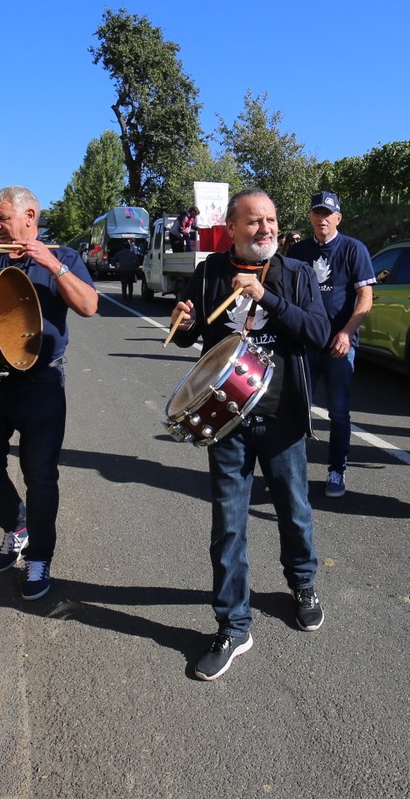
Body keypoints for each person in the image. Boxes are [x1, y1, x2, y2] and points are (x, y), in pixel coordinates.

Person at [171, 189, 330, 680]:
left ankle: (302, 584)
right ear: (232, 229)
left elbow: (318, 333)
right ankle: (234, 626)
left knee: (294, 510)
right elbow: (193, 336)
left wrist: (267, 298)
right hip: (226, 419)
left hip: (282, 415)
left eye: (272, 220)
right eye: (255, 222)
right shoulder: (209, 273)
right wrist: (182, 322)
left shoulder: (297, 273)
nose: (266, 229)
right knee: (228, 526)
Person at [0, 186, 99, 601]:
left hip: (41, 384)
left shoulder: (64, 256)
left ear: (29, 216)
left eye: (3, 218)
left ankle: (40, 557)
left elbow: (89, 305)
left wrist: (52, 265)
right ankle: (16, 524)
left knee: (40, 476)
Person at [286, 191, 375, 498]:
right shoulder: (298, 251)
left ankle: (337, 469)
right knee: (296, 410)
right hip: (305, 345)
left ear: (338, 218)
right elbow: (287, 297)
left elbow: (366, 298)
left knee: (338, 412)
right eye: (317, 213)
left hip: (339, 345)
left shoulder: (353, 249)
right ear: (311, 217)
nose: (322, 219)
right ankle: (291, 473)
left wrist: (347, 333)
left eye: (328, 213)